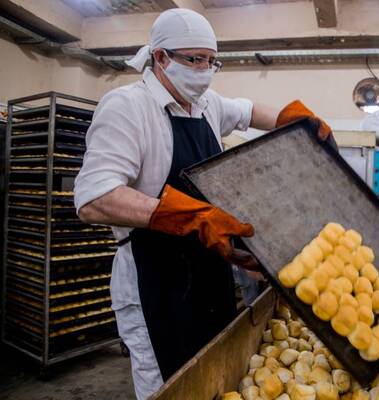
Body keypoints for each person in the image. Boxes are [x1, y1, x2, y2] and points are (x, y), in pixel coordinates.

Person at [73, 8, 333, 400]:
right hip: (153, 276)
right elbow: (94, 196)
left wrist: (294, 119)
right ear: (160, 58)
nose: (205, 70)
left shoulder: (206, 104)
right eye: (195, 60)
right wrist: (192, 217)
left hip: (208, 269)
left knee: (216, 378)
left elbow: (248, 111)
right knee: (171, 386)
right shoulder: (127, 107)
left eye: (212, 61)